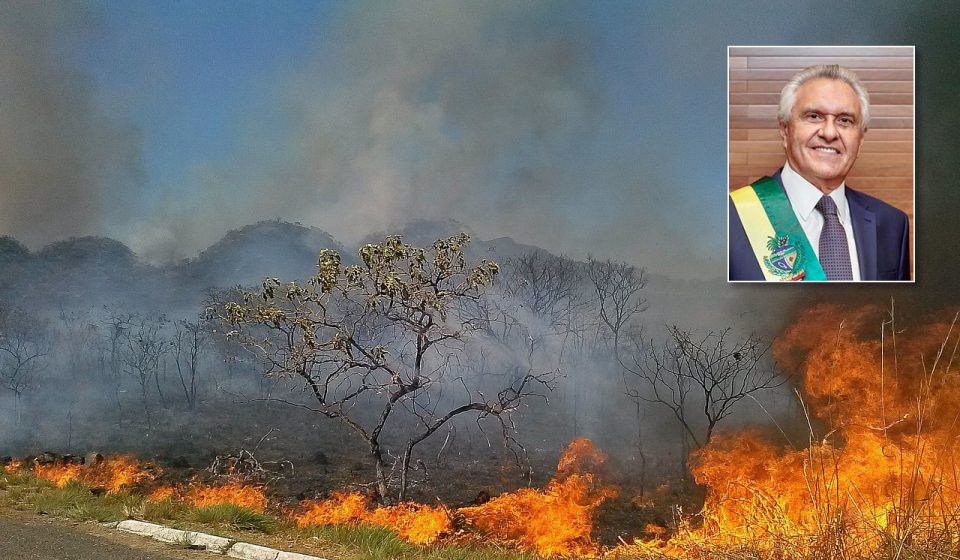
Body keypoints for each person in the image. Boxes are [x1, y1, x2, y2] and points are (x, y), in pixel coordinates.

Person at [729, 64, 910, 281]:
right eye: (814, 116)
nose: (830, 132)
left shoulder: (892, 224)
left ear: (860, 139)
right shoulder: (728, 219)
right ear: (784, 129)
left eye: (845, 120)